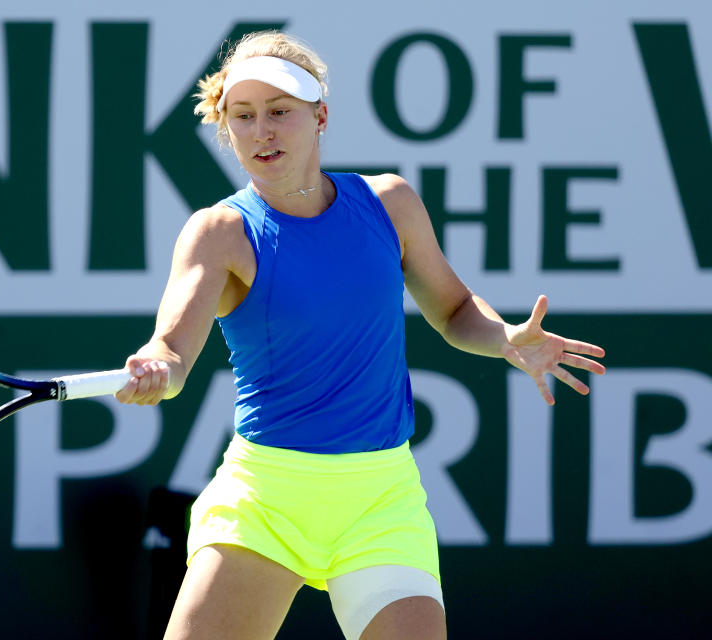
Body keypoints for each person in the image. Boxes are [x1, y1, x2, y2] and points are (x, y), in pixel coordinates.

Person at [115, 31, 606, 640]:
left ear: (320, 116)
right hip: (267, 501)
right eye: (242, 116)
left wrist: (505, 337)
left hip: (381, 500)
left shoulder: (389, 203)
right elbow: (173, 350)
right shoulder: (218, 233)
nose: (262, 131)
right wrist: (156, 366)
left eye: (280, 112)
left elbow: (453, 310)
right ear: (225, 126)